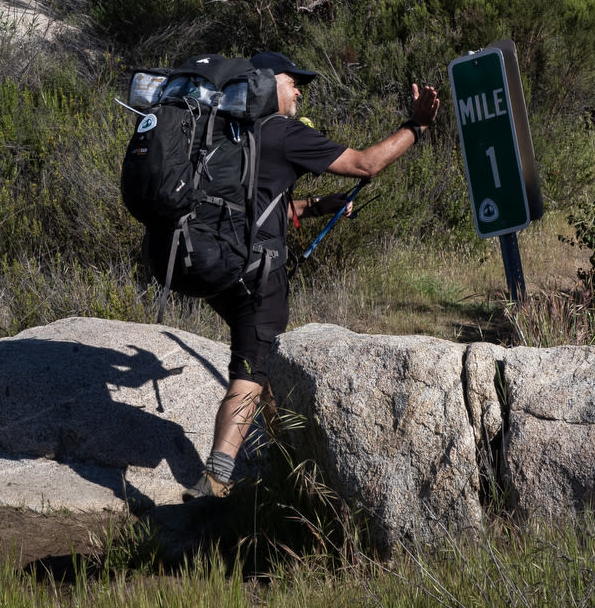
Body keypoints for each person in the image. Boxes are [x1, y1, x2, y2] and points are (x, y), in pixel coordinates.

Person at [187, 50, 442, 498]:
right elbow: (367, 164)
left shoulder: (228, 133)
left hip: (215, 266)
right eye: (292, 82)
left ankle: (281, 457)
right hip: (257, 273)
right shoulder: (283, 132)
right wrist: (416, 127)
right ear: (267, 85)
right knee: (253, 365)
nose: (299, 90)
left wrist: (320, 205)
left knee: (262, 356)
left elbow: (262, 208)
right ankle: (216, 478)